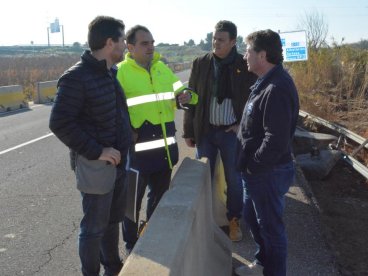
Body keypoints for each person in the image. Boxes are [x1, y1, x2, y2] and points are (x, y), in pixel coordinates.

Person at [49, 16, 132, 276]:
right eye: (123, 40)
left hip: (118, 161)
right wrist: (98, 151)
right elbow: (60, 123)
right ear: (110, 42)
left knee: (111, 222)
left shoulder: (109, 72)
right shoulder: (77, 77)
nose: (126, 46)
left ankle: (113, 267)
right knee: (93, 227)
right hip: (96, 164)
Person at [116, 25, 198, 253]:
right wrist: (125, 131)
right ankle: (131, 246)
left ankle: (149, 236)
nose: (151, 46)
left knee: (159, 200)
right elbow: (112, 110)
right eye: (145, 43)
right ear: (130, 47)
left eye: (152, 42)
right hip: (135, 154)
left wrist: (187, 96)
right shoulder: (120, 72)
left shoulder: (162, 69)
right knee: (131, 205)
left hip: (164, 150)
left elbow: (187, 94)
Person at [183, 20, 256, 241]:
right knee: (203, 177)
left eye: (221, 40)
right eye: (214, 38)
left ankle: (233, 219)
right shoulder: (201, 63)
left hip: (231, 133)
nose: (216, 43)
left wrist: (241, 125)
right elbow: (191, 97)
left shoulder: (245, 65)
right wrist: (189, 131)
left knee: (234, 179)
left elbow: (253, 98)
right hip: (206, 130)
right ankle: (203, 221)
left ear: (233, 42)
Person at [234, 29, 299, 276]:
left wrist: (254, 165)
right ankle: (262, 264)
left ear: (262, 55)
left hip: (266, 172)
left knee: (271, 229)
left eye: (248, 51)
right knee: (253, 219)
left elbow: (276, 139)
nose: (245, 56)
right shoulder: (264, 82)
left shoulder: (277, 87)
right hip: (257, 172)